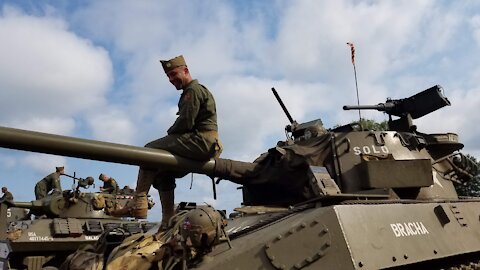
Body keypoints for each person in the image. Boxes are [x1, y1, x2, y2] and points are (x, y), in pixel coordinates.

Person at [111, 55, 222, 229]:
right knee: (163, 173)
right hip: (202, 143)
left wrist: (169, 136)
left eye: (173, 74)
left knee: (149, 151)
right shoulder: (193, 91)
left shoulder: (193, 90)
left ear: (185, 71)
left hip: (202, 141)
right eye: (168, 76)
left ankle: (138, 200)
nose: (171, 79)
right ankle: (168, 218)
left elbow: (186, 122)